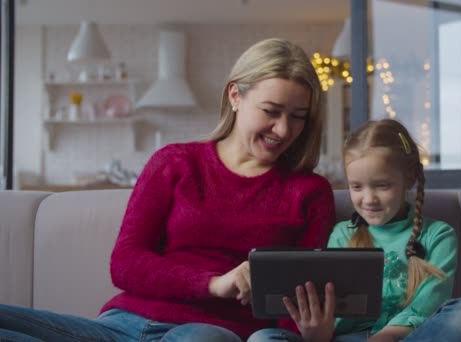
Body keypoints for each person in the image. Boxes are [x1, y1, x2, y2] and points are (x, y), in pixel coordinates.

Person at [0, 38, 336, 342]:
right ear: (235, 95)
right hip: (121, 325)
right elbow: (125, 263)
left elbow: (297, 303)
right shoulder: (175, 162)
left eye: (298, 117)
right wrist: (213, 283)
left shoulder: (308, 193)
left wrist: (311, 334)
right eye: (271, 111)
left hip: (210, 334)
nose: (283, 129)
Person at [248, 119, 461, 342]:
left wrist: (385, 337)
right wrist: (317, 333)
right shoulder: (343, 234)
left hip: (407, 338)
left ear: (408, 179)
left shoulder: (438, 236)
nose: (369, 199)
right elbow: (329, 305)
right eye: (357, 187)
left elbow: (428, 304)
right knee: (262, 338)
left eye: (382, 186)